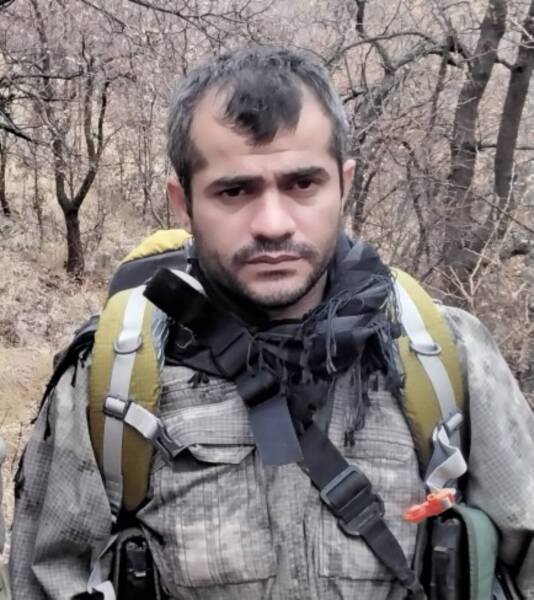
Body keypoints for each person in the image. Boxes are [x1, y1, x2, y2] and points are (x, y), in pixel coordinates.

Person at [8, 46, 534, 600]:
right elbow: (49, 580)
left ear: (343, 184)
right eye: (234, 191)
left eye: (303, 183)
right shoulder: (112, 378)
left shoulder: (445, 356)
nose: (273, 224)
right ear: (183, 203)